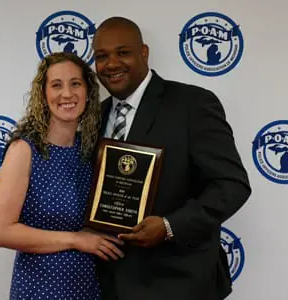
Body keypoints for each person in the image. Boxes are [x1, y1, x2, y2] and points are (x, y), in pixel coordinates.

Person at [92, 17, 252, 300]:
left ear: (144, 52)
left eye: (123, 52)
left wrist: (169, 227)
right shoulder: (94, 117)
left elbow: (231, 185)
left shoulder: (192, 104)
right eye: (102, 56)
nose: (112, 63)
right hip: (109, 282)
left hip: (179, 281)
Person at [0, 52, 124, 300]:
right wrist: (76, 240)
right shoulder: (25, 150)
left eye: (75, 83)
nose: (67, 94)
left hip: (88, 288)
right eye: (56, 85)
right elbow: (0, 231)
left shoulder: (90, 150)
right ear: (43, 94)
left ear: (88, 92)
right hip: (40, 289)